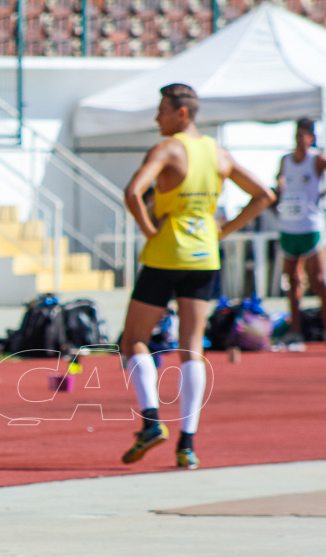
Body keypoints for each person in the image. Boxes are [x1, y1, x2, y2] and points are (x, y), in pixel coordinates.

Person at [120, 83, 274, 470]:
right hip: (205, 255)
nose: (157, 117)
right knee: (192, 346)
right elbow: (264, 195)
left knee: (134, 339)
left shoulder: (169, 148)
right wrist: (225, 230)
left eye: (162, 110)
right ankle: (187, 445)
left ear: (181, 113)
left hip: (167, 251)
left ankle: (151, 421)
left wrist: (148, 230)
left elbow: (133, 192)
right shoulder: (218, 152)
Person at [275, 118, 326, 343]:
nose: (299, 140)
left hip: (311, 226)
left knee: (318, 281)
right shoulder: (285, 160)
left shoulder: (317, 160)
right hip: (289, 227)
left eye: (304, 135)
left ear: (311, 138)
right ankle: (295, 329)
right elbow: (280, 181)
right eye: (297, 135)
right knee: (293, 280)